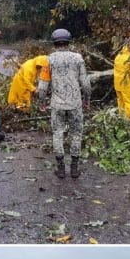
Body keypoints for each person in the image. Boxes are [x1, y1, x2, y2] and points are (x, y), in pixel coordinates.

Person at [37, 28, 91, 179]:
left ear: (54, 42)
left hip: (57, 105)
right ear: (69, 41)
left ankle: (61, 169)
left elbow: (42, 86)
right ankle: (74, 168)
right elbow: (85, 83)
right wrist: (87, 100)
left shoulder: (49, 60)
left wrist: (41, 102)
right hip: (75, 103)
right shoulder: (78, 58)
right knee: (76, 133)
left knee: (58, 133)